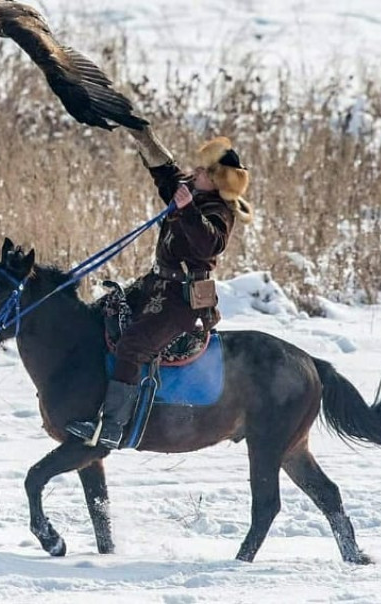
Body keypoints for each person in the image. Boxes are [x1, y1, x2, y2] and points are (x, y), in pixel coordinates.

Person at [67, 130, 252, 449]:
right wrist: (142, 136)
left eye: (204, 171)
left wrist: (188, 209)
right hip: (154, 285)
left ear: (217, 181)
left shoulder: (220, 211)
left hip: (183, 299)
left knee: (133, 345)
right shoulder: (191, 190)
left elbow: (210, 243)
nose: (196, 172)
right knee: (101, 315)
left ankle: (112, 426)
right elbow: (167, 173)